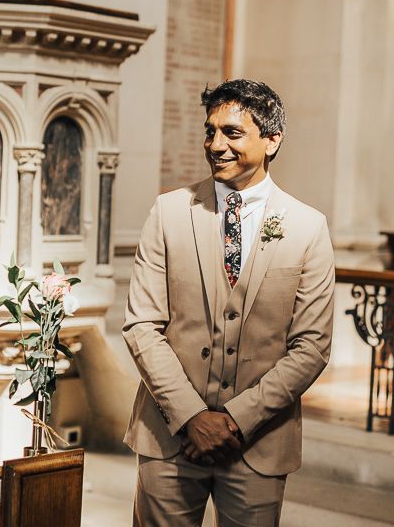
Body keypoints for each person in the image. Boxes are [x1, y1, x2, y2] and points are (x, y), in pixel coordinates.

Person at [122, 79, 335, 526]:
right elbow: (142, 326)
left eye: (232, 133)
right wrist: (191, 415)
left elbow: (312, 346)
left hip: (258, 445)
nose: (216, 145)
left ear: (272, 139)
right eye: (210, 131)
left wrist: (236, 420)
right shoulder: (168, 213)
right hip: (169, 437)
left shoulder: (306, 227)